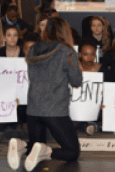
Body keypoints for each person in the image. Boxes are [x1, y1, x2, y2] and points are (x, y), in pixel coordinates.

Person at [7, 17, 81, 171]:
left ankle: (20, 145)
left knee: (36, 146)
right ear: (65, 31)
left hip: (33, 109)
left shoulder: (33, 49)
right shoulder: (66, 52)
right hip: (55, 110)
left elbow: (31, 76)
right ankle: (47, 152)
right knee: (72, 151)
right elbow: (76, 81)